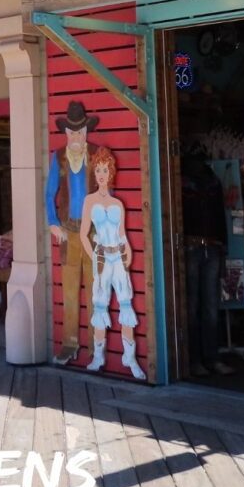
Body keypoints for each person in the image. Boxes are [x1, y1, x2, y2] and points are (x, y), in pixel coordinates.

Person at [79, 147, 145, 380]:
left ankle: (130, 356)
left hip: (118, 257)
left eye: (104, 169)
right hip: (101, 257)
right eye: (97, 169)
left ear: (111, 172)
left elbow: (123, 234)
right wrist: (93, 254)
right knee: (100, 307)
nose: (101, 174)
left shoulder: (118, 204)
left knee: (126, 306)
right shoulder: (89, 201)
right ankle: (99, 357)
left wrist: (128, 250)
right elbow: (83, 233)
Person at [45, 100, 98, 364]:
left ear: (86, 132)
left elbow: (106, 193)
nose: (76, 136)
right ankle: (70, 343)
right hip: (68, 231)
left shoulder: (99, 155)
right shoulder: (59, 158)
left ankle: (96, 348)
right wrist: (53, 222)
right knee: (69, 292)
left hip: (93, 234)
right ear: (66, 134)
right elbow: (49, 192)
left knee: (94, 291)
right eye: (72, 132)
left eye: (80, 131)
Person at [181, 152, 234, 377]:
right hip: (192, 245)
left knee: (210, 305)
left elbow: (220, 216)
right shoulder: (181, 182)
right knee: (193, 306)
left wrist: (223, 246)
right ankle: (195, 360)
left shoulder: (212, 182)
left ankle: (211, 357)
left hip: (211, 246)